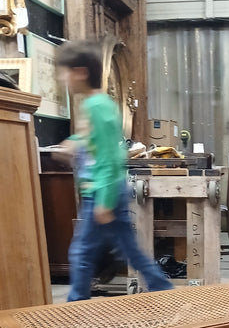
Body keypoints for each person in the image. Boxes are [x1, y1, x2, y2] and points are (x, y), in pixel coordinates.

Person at [55, 40, 173, 301]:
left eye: (65, 72)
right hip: (105, 189)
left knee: (83, 252)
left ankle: (75, 303)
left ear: (81, 72)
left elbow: (109, 157)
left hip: (103, 192)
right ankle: (162, 288)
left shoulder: (97, 107)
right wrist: (72, 144)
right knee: (128, 249)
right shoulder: (98, 105)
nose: (62, 78)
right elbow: (96, 143)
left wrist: (105, 202)